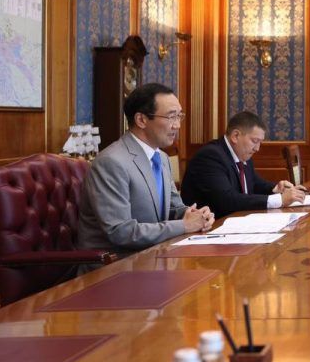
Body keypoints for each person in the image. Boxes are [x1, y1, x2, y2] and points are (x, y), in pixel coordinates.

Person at [78, 83, 214, 254]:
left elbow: (172, 208)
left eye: (179, 116)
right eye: (171, 117)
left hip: (155, 254)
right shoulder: (111, 162)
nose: (177, 125)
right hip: (116, 263)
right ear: (141, 120)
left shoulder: (162, 158)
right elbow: (121, 232)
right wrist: (184, 225)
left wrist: (194, 214)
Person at [181, 111, 306, 218]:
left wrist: (276, 188)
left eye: (260, 142)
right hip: (210, 229)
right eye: (255, 141)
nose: (257, 148)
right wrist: (280, 200)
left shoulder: (242, 154)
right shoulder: (210, 156)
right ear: (235, 136)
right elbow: (227, 200)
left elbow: (255, 183)